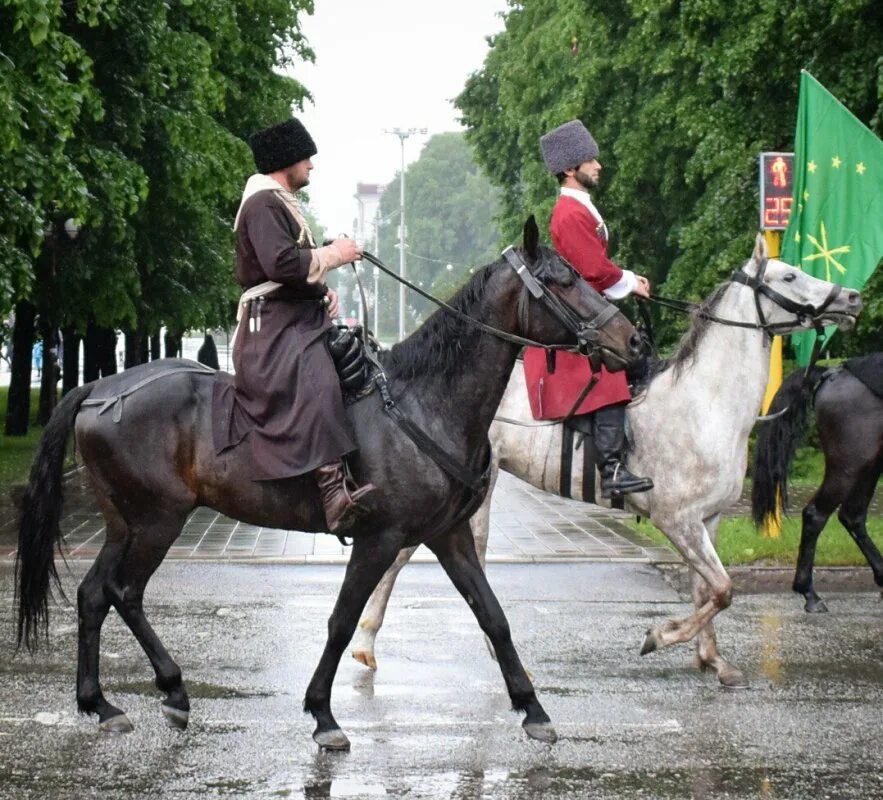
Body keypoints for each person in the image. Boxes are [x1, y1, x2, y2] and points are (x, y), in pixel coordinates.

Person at [220, 117, 375, 532]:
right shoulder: (262, 203)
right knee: (318, 378)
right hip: (271, 332)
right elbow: (281, 264)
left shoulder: (280, 202)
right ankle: (331, 492)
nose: (311, 165)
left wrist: (320, 292)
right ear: (287, 159)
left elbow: (288, 275)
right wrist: (335, 254)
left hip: (289, 320)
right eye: (306, 157)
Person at [523, 119, 654, 499]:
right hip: (578, 313)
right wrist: (629, 281)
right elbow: (591, 269)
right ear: (569, 169)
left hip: (590, 305)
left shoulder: (581, 207)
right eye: (590, 159)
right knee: (613, 370)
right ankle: (611, 470)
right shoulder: (568, 212)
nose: (598, 166)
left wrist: (628, 278)